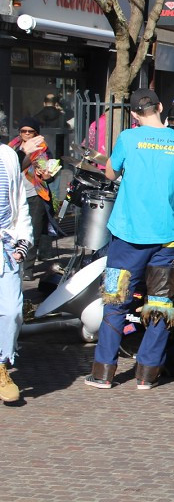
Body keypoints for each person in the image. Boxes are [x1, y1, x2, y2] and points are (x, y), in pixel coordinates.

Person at [86, 89, 174, 391]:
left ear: (135, 114)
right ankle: (147, 374)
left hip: (126, 235)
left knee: (115, 300)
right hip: (166, 238)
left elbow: (110, 172)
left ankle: (103, 373)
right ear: (161, 107)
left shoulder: (127, 138)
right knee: (161, 302)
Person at [0, 142, 33, 402]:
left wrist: (24, 239)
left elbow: (20, 202)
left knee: (12, 312)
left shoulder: (8, 155)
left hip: (6, 247)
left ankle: (1, 364)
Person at [8, 118, 55, 268]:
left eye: (30, 131)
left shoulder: (43, 150)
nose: (27, 134)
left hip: (35, 193)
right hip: (14, 195)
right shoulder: (11, 148)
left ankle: (28, 267)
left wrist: (48, 176)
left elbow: (50, 173)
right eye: (24, 131)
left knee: (32, 231)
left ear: (36, 133)